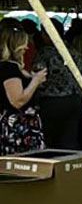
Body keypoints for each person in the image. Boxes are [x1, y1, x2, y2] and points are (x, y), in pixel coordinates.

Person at [32, 22, 82, 150]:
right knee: (70, 141)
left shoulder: (43, 54)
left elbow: (37, 76)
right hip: (73, 99)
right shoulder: (73, 51)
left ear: (46, 34)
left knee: (50, 142)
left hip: (50, 101)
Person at [0, 23, 47, 155]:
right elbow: (17, 101)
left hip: (26, 126)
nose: (27, 47)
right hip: (17, 128)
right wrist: (35, 81)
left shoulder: (15, 67)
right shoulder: (9, 68)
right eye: (24, 44)